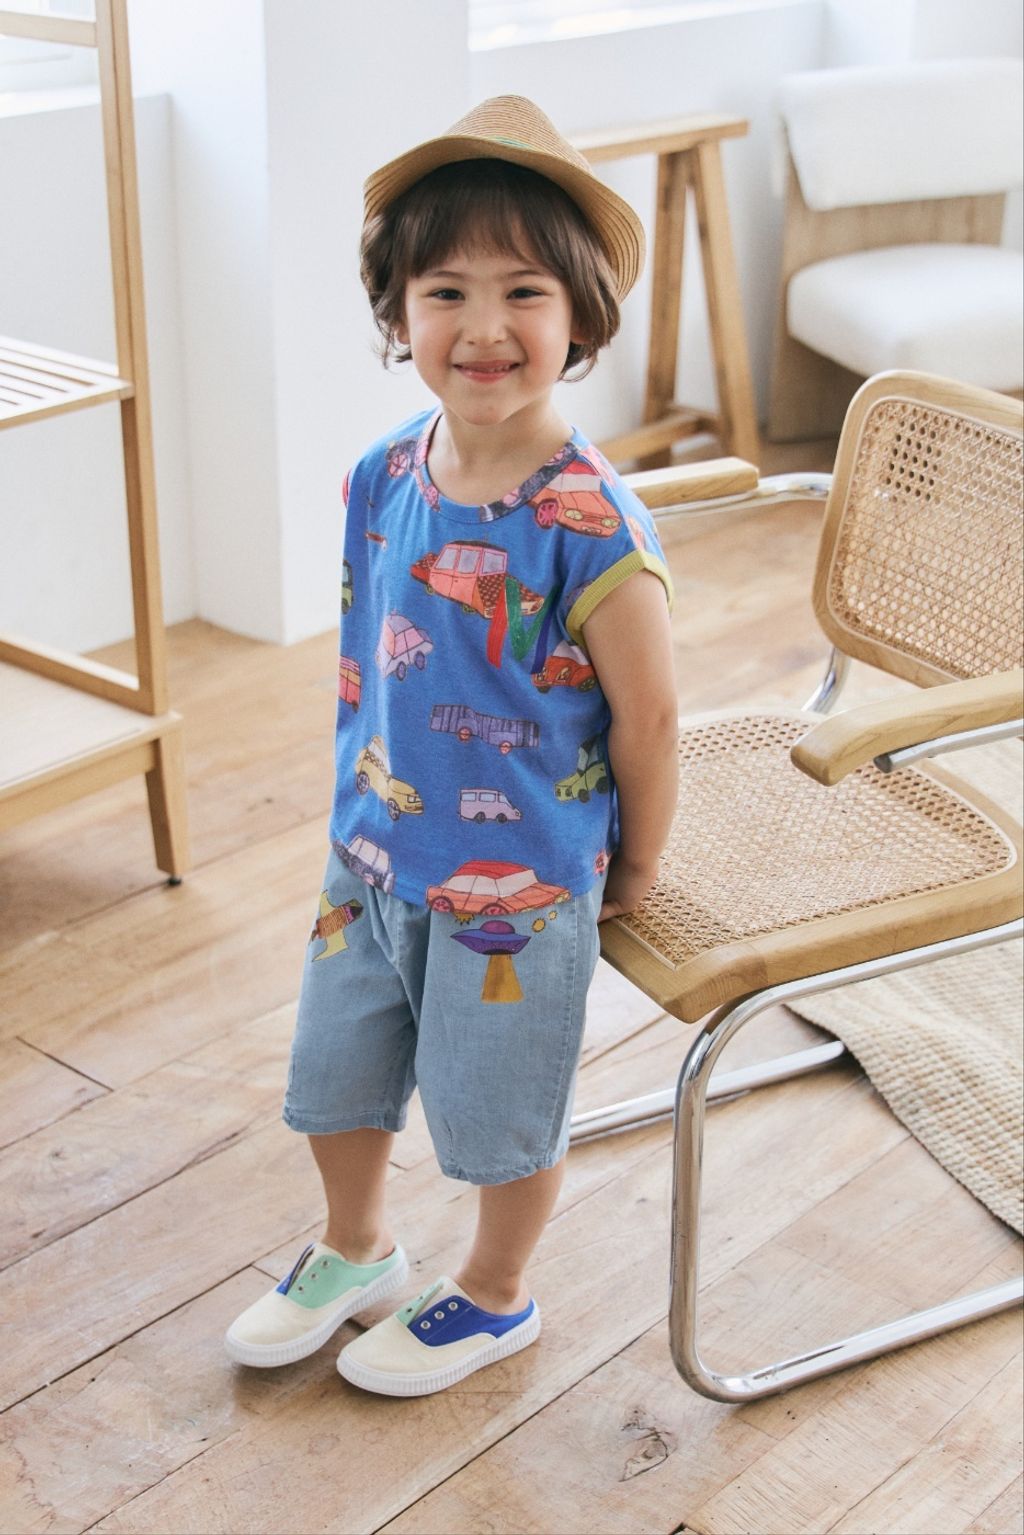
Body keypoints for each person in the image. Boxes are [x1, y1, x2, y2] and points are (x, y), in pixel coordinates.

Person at [225, 95, 679, 1395]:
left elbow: (649, 719)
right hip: (369, 854)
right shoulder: (383, 474)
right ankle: (356, 1248)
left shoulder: (594, 526)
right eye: (446, 292)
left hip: (518, 884)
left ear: (580, 315)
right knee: (337, 1072)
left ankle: (493, 1292)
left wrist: (639, 864)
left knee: (498, 1101)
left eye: (523, 291)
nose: (484, 327)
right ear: (399, 314)